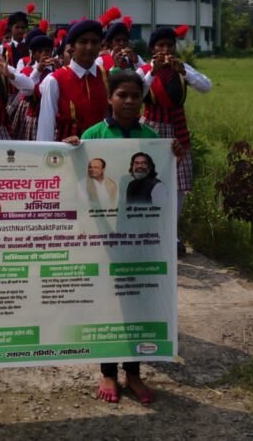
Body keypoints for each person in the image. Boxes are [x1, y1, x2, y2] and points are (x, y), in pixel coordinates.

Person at [69, 69, 161, 405]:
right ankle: (107, 370)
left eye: (136, 96)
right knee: (107, 300)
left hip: (138, 235)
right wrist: (71, 151)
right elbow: (80, 182)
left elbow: (159, 179)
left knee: (136, 300)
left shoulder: (150, 136)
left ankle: (133, 373)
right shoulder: (93, 135)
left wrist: (173, 153)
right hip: (104, 233)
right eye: (122, 95)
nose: (129, 101)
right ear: (110, 98)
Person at [138, 26, 211, 222]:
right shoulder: (144, 70)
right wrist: (153, 73)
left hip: (178, 129)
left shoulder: (181, 68)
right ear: (153, 49)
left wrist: (184, 72)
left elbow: (206, 87)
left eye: (170, 45)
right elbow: (137, 95)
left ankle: (173, 229)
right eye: (161, 45)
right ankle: (150, 224)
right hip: (152, 128)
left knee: (178, 183)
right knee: (150, 177)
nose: (166, 50)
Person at [36, 19, 108, 142]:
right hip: (69, 148)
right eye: (83, 42)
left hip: (102, 146)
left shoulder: (106, 76)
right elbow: (46, 127)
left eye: (95, 42)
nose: (89, 47)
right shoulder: (55, 80)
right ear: (72, 47)